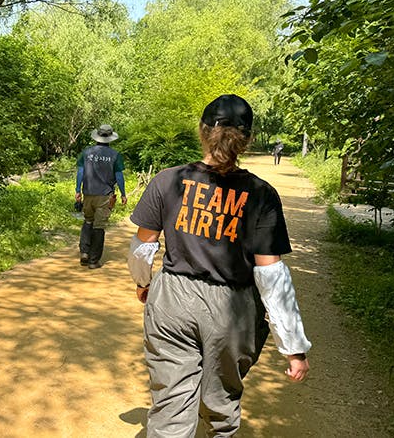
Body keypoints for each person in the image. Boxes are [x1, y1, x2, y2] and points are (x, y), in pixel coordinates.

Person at [126, 94, 311, 437]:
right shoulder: (261, 194)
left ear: (202, 130)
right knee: (221, 405)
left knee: (170, 405)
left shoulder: (168, 181)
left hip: (172, 302)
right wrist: (293, 346)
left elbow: (142, 247)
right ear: (249, 139)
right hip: (233, 309)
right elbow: (272, 276)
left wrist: (143, 283)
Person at [75, 124, 127, 269]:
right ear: (110, 138)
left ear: (97, 137)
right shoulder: (115, 155)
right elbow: (119, 176)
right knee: (99, 226)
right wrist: (123, 193)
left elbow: (80, 173)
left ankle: (84, 252)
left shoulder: (86, 153)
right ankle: (93, 261)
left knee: (88, 221)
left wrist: (78, 190)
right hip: (104, 195)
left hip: (88, 193)